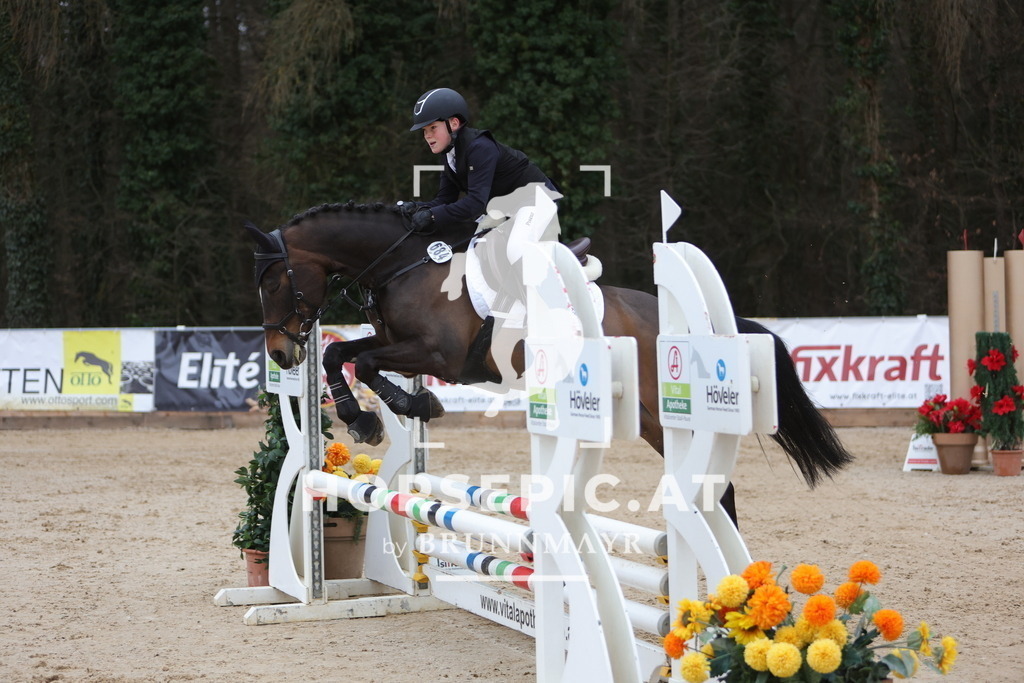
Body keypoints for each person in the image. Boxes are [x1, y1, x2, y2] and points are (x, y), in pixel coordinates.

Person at [406, 87, 559, 234]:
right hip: (504, 208)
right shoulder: (450, 154)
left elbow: (475, 203)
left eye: (433, 127)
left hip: (536, 200)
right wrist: (416, 207)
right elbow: (445, 199)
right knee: (475, 245)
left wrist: (432, 215)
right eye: (424, 130)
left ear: (453, 124)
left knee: (515, 246)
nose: (427, 135)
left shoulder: (480, 148)